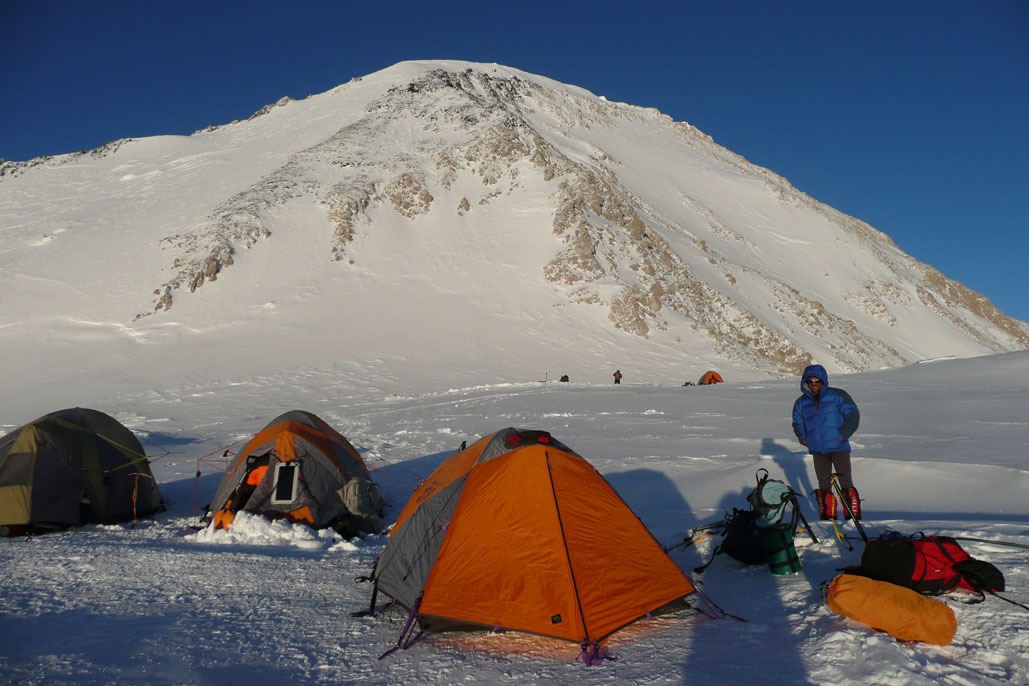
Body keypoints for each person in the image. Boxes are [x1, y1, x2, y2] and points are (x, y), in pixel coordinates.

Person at [791, 364, 862, 520]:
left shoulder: (838, 396)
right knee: (823, 483)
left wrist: (843, 435)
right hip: (818, 449)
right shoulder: (801, 402)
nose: (814, 384)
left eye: (817, 381)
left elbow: (853, 415)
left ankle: (852, 518)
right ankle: (828, 517)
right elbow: (797, 422)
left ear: (823, 381)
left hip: (839, 447)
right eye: (811, 381)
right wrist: (805, 439)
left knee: (845, 481)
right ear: (805, 382)